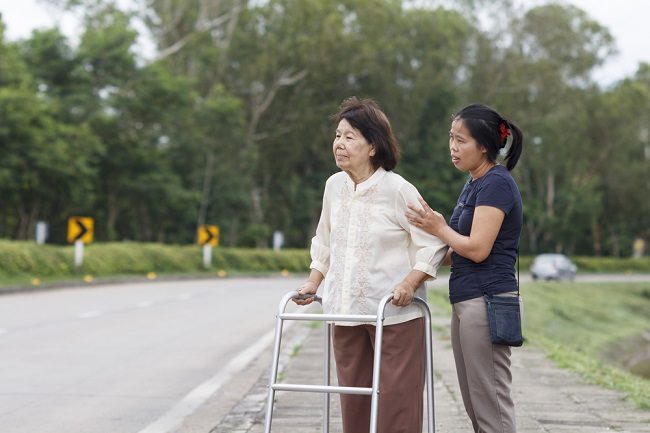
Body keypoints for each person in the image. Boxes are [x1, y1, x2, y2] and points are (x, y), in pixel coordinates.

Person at [295, 97, 447, 433]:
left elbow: (432, 244)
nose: (339, 144)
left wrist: (410, 283)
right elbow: (324, 241)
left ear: (374, 146)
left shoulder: (398, 189)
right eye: (337, 136)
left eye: (350, 137)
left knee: (397, 400)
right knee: (353, 399)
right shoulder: (333, 186)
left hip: (392, 312)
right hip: (345, 309)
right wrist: (312, 283)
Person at [406, 103, 523, 433]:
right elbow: (456, 250)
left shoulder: (496, 183)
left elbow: (477, 248)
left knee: (491, 404)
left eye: (461, 140)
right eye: (451, 138)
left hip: (486, 302)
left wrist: (439, 227)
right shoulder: (474, 183)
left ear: (483, 146)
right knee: (475, 402)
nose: (453, 147)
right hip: (467, 301)